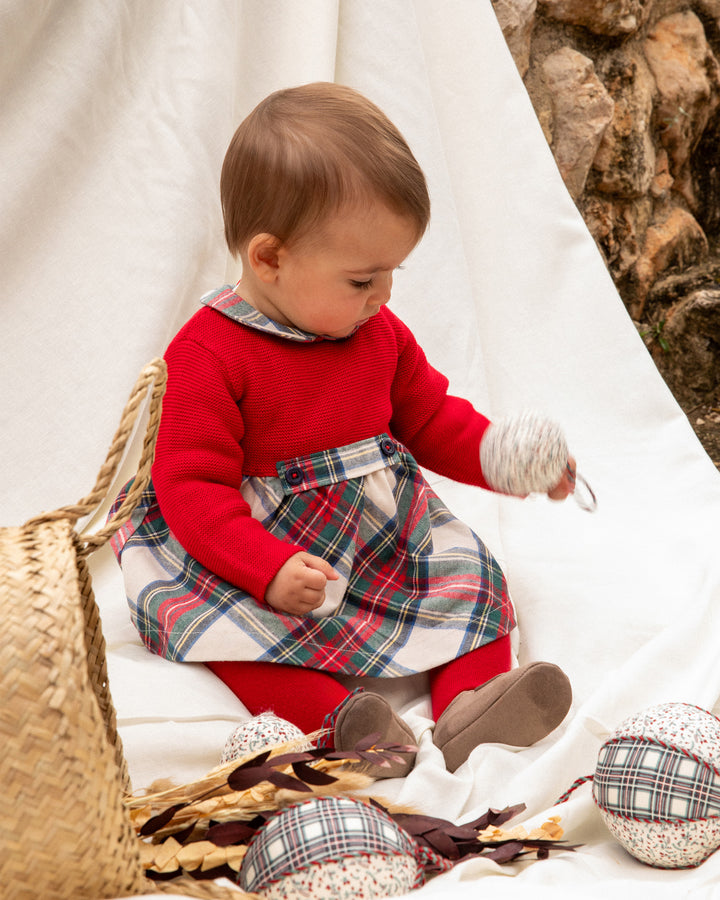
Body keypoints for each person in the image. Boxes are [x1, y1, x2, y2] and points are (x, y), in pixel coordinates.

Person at [111, 82, 575, 776]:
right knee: (235, 638)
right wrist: (265, 570)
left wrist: (506, 460)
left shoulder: (379, 334)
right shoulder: (208, 355)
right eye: (362, 279)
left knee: (472, 582)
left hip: (376, 535)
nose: (383, 296)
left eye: (392, 272)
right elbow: (192, 487)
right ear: (270, 258)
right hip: (259, 551)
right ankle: (345, 722)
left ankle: (471, 706)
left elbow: (432, 417)